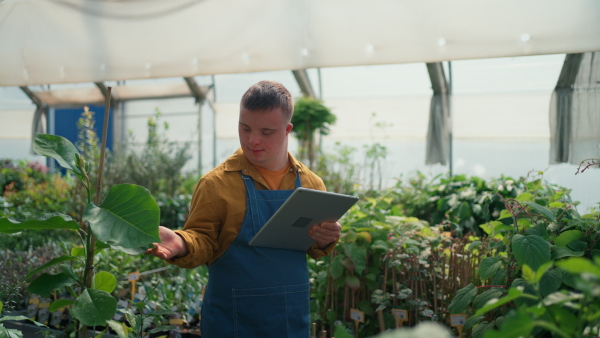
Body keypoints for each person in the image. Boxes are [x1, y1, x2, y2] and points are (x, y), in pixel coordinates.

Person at [146, 80, 342, 338]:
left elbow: (314, 248)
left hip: (289, 318)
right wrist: (182, 242)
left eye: (266, 132)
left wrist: (326, 237)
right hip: (233, 320)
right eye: (244, 127)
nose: (253, 140)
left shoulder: (310, 184)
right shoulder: (216, 184)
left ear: (287, 129)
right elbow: (202, 238)